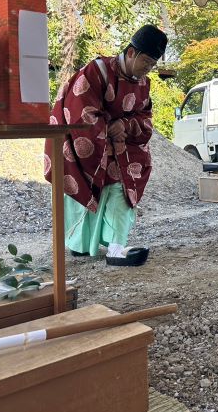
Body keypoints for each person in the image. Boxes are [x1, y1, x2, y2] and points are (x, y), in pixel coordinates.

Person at [44, 24, 168, 266]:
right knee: (85, 185)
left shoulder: (144, 84)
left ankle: (115, 247)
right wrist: (109, 132)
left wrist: (126, 126)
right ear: (131, 52)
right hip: (86, 144)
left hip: (121, 146)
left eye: (153, 65)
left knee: (122, 188)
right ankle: (80, 245)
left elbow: (145, 119)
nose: (148, 69)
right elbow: (80, 112)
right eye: (146, 61)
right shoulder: (96, 71)